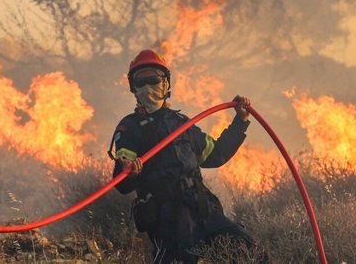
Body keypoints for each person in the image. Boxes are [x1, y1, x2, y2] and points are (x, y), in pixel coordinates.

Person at [110, 49, 261, 263]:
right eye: (140, 81)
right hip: (169, 219)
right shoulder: (130, 127)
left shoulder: (182, 124)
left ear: (166, 84)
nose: (147, 86)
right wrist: (129, 171)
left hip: (203, 209)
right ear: (133, 88)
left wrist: (240, 122)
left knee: (251, 255)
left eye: (153, 78)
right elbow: (122, 182)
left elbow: (216, 155)